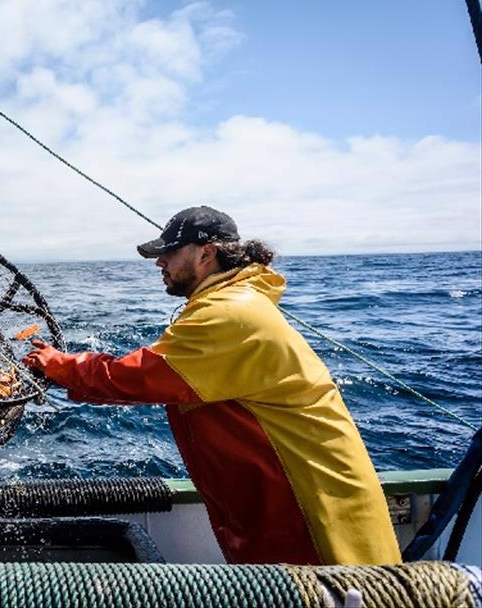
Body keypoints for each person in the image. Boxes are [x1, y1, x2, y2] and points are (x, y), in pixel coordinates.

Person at [23, 206, 401, 565]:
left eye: (169, 252)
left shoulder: (230, 314)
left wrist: (60, 365)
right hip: (279, 506)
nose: (160, 262)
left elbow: (140, 377)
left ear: (207, 254)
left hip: (316, 520)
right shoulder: (232, 304)